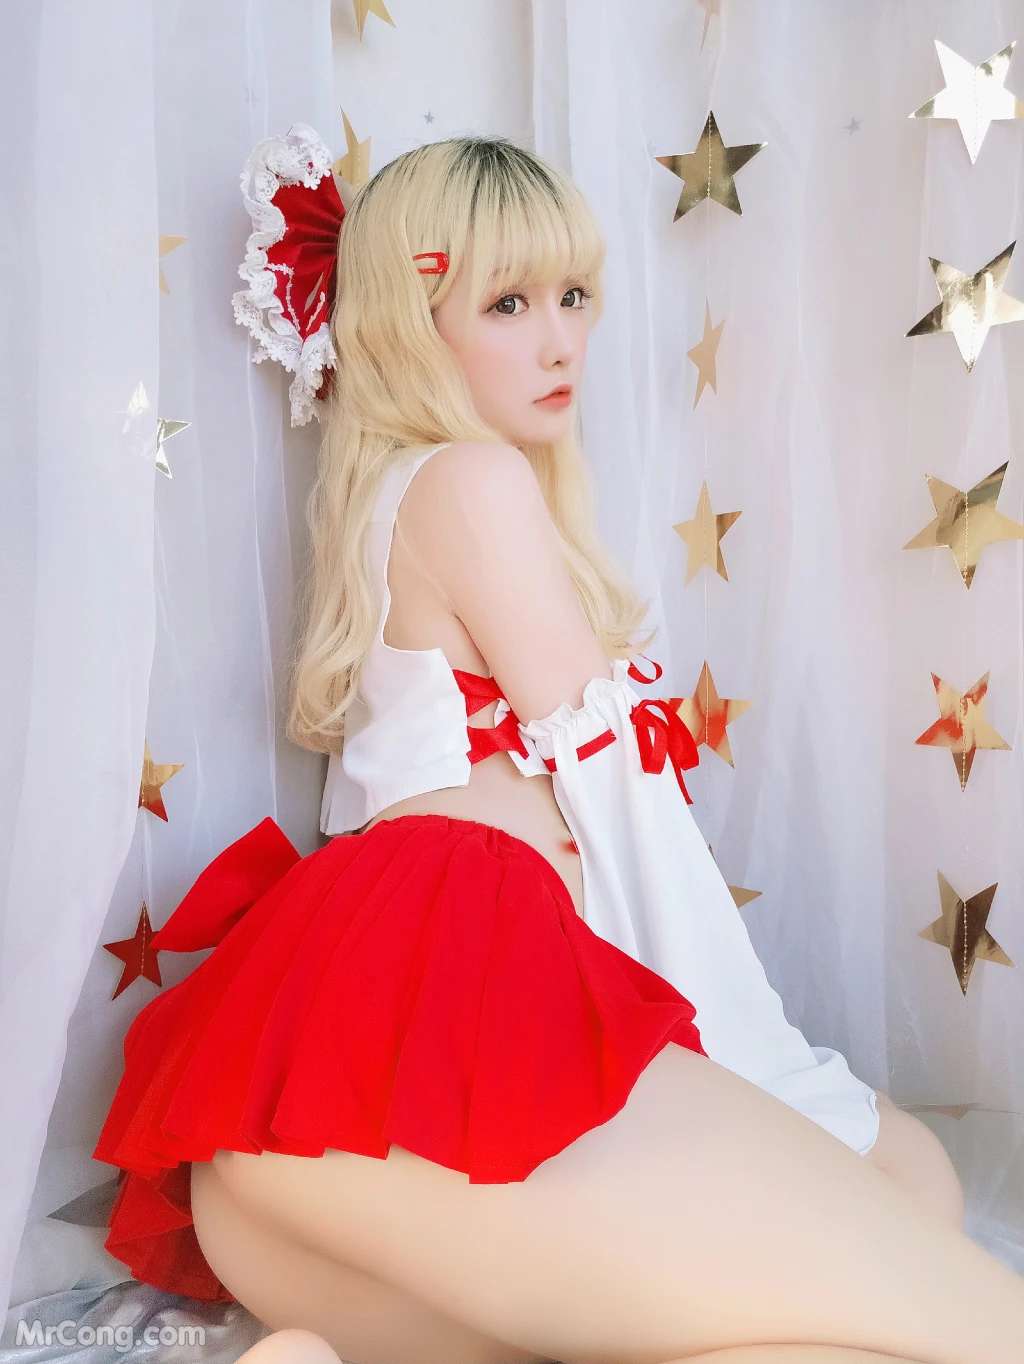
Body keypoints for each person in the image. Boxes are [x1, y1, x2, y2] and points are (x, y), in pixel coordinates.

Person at [91, 128, 1024, 1364]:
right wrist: (749, 1058)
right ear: (409, 325)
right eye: (508, 303)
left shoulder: (387, 496)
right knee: (925, 1243)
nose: (560, 341)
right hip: (431, 1040)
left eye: (574, 296)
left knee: (890, 1200)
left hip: (292, 1116)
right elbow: (624, 800)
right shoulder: (472, 480)